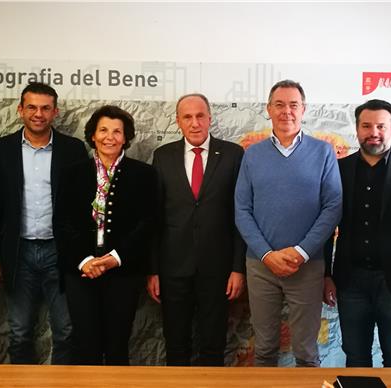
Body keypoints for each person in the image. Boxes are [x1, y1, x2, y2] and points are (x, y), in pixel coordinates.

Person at [235, 80, 342, 367]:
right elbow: (242, 210)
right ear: (269, 110)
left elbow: (333, 207)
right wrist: (268, 255)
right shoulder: (252, 155)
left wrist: (302, 252)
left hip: (306, 266)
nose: (286, 112)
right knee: (265, 350)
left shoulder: (323, 152)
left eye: (293, 105)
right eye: (279, 105)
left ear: (303, 109)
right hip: (261, 265)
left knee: (306, 353)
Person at [148, 93, 246, 366]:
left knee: (213, 346)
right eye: (187, 117)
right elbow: (155, 218)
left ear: (210, 118)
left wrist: (238, 268)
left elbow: (241, 215)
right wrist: (153, 270)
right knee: (176, 344)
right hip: (172, 269)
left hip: (218, 269)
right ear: (178, 121)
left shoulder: (232, 154)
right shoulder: (163, 155)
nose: (194, 123)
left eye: (200, 115)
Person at [323, 99, 391, 367]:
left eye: (381, 126)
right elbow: (325, 225)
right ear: (357, 129)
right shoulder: (338, 170)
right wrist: (326, 276)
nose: (373, 132)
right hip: (350, 280)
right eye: (366, 126)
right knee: (355, 358)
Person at [54, 105, 156, 365]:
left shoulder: (144, 174)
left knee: (117, 344)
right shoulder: (73, 173)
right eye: (103, 130)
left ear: (125, 137)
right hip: (81, 271)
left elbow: (148, 223)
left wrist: (115, 258)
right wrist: (84, 260)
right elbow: (62, 221)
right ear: (92, 135)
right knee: (85, 343)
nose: (109, 137)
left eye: (117, 132)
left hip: (123, 271)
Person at [0, 82, 86, 364]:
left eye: (46, 108)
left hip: (59, 252)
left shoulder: (73, 149)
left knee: (66, 330)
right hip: (18, 252)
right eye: (31, 107)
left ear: (55, 112)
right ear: (20, 110)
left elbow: (81, 206)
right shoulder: (1, 149)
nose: (38, 114)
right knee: (19, 331)